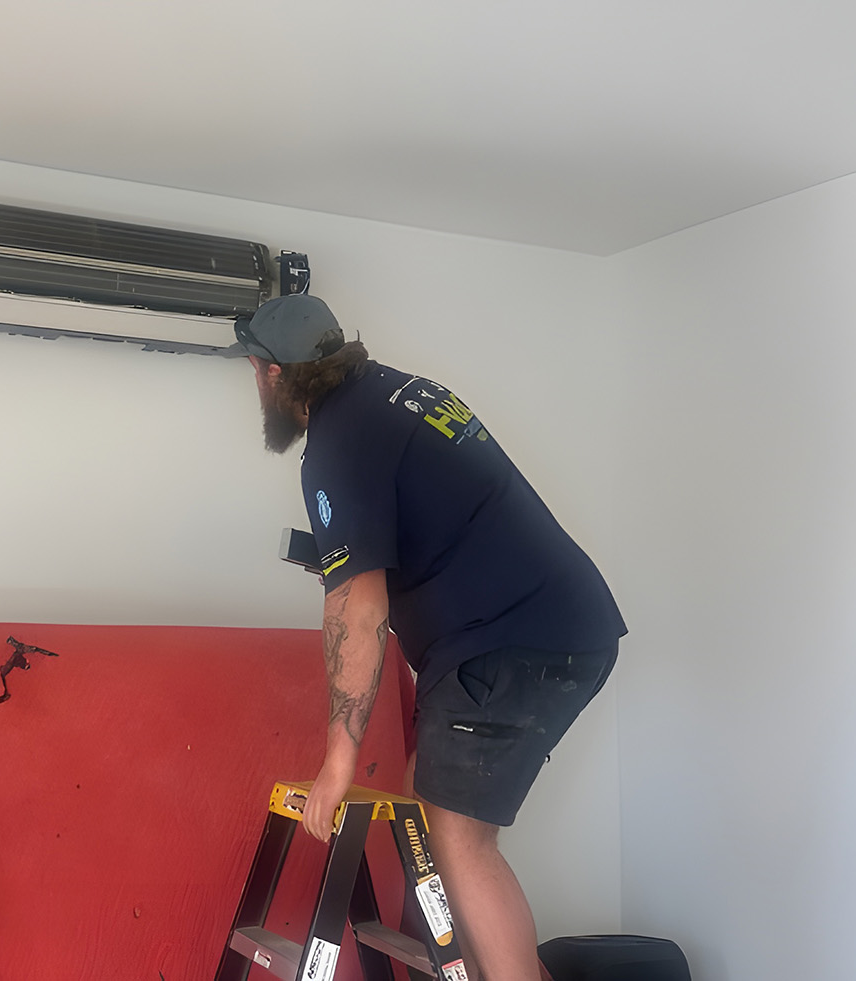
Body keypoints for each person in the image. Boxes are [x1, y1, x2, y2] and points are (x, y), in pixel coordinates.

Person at [235, 293, 626, 981]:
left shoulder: (337, 446)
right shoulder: (396, 392)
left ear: (271, 372)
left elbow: (359, 611)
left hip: (511, 642)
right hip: (550, 625)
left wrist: (337, 765)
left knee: (457, 836)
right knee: (426, 799)